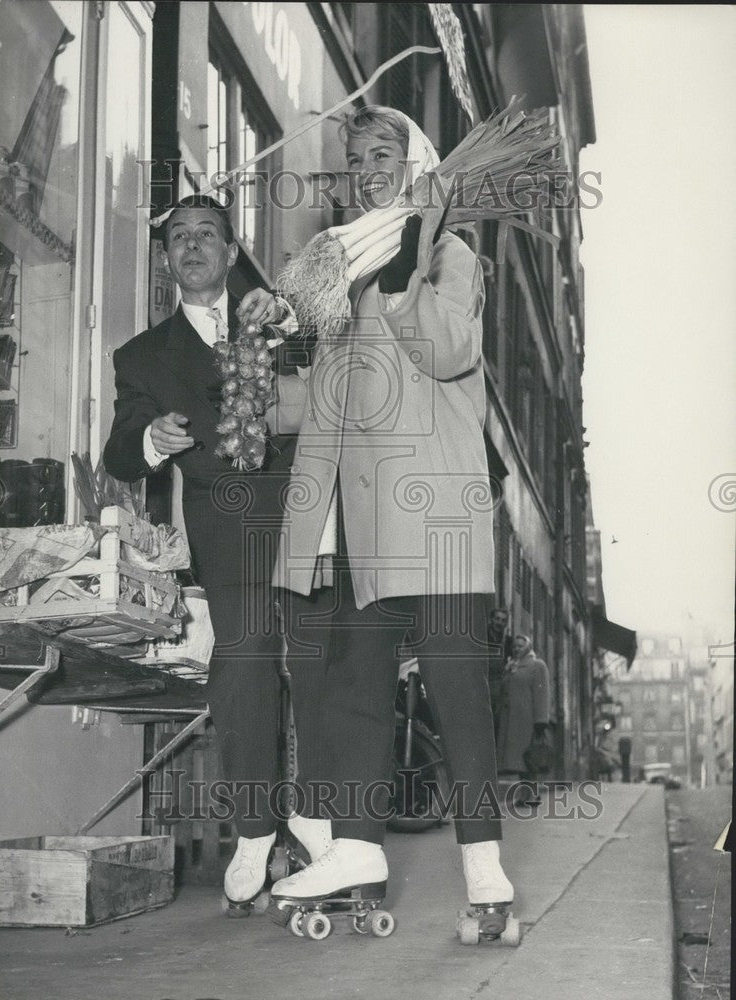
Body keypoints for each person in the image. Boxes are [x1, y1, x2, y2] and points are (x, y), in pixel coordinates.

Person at [269, 106, 514, 922]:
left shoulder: (447, 253)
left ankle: (483, 869)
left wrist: (407, 268)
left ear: (414, 162)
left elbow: (446, 352)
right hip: (367, 524)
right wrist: (249, 378)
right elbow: (332, 411)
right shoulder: (336, 275)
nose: (367, 170)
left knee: (455, 688)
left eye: (384, 153)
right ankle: (358, 845)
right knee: (355, 687)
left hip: (438, 512)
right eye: (356, 160)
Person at [102, 195, 330, 912]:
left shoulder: (274, 319)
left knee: (324, 654)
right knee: (246, 659)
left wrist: (289, 316)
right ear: (167, 261)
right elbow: (119, 451)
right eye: (178, 239)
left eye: (207, 235)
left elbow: (336, 354)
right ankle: (255, 828)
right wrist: (150, 441)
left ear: (232, 253)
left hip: (302, 506)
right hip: (224, 520)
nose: (192, 246)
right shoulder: (141, 357)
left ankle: (325, 820)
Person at [496, 635, 550, 806]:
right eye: (515, 646)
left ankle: (532, 795)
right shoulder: (512, 665)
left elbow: (542, 694)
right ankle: (525, 795)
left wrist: (541, 721)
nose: (516, 648)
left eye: (520, 646)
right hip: (512, 721)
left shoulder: (537, 665)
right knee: (520, 762)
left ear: (528, 647)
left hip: (528, 721)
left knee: (529, 759)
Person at [486, 607, 513, 737]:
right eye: (497, 619)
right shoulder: (481, 637)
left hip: (499, 689)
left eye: (503, 620)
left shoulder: (508, 642)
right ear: (491, 620)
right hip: (482, 685)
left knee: (497, 726)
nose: (499, 623)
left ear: (506, 624)